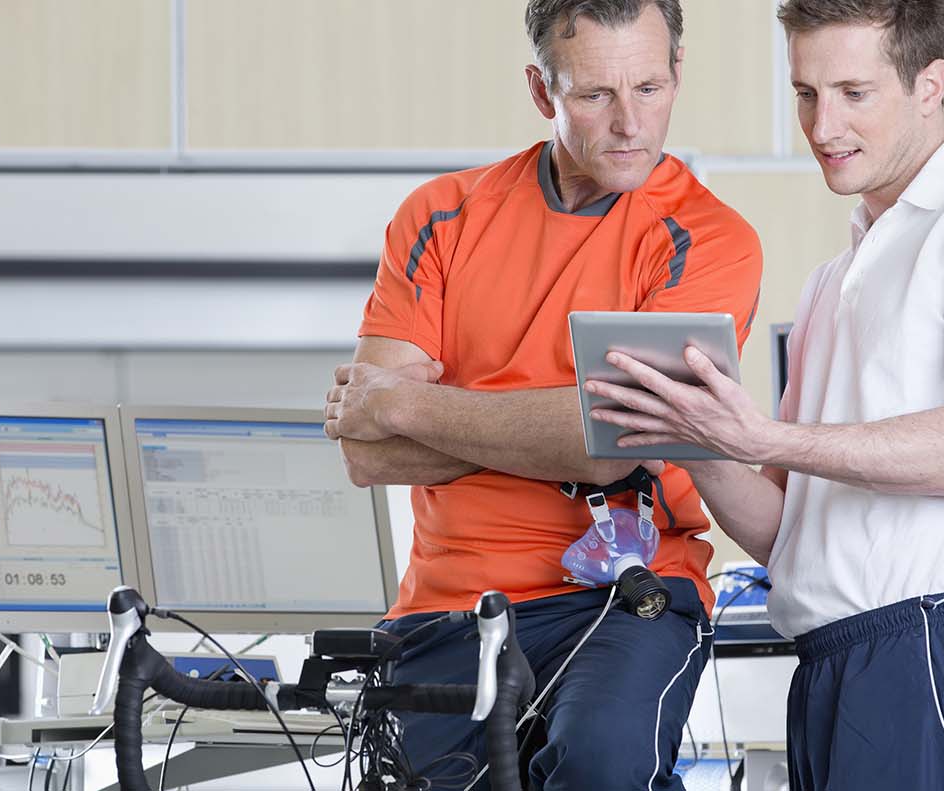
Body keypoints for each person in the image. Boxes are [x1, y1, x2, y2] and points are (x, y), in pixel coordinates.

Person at [584, 1, 944, 789]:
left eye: (854, 93)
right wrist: (688, 436)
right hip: (831, 665)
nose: (823, 125)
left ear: (931, 84)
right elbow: (784, 531)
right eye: (805, 93)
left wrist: (761, 436)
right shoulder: (836, 279)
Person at [322, 1, 762, 787]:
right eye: (596, 95)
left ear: (678, 74)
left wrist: (405, 402)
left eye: (650, 88)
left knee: (599, 762)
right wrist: (550, 424)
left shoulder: (709, 241)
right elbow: (365, 452)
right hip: (446, 606)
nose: (631, 122)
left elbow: (609, 448)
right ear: (541, 90)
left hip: (625, 601)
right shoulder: (441, 217)